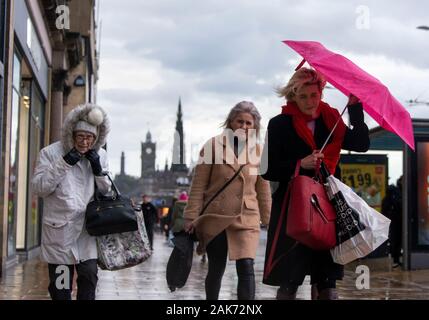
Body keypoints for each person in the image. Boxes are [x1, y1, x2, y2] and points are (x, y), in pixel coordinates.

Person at [262, 67, 370, 300]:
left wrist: (354, 108)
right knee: (289, 281)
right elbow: (267, 170)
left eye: (314, 95)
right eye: (303, 96)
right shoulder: (279, 124)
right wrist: (300, 164)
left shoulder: (332, 119)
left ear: (321, 93)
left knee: (327, 282)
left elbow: (361, 143)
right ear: (293, 95)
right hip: (294, 211)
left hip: (327, 208)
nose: (310, 102)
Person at [184, 101, 272, 300]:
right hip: (216, 216)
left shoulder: (260, 152)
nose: (244, 126)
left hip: (246, 217)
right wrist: (190, 216)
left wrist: (269, 219)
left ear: (255, 126)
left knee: (247, 267)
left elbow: (263, 189)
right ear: (230, 122)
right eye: (240, 121)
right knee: (216, 268)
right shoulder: (213, 146)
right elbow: (198, 185)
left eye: (249, 123)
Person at [31, 104, 111, 300]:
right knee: (61, 287)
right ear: (71, 134)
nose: (85, 142)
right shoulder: (50, 153)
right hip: (60, 232)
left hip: (87, 232)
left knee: (89, 277)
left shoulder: (100, 155)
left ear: (96, 138)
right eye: (81, 137)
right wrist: (65, 162)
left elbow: (107, 191)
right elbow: (40, 188)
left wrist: (98, 169)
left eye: (90, 138)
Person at [382, 176, 403, 267]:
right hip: (397, 220)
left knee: (395, 239)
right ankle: (396, 259)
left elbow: (384, 210)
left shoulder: (390, 195)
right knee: (397, 240)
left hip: (393, 221)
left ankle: (396, 259)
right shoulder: (398, 193)